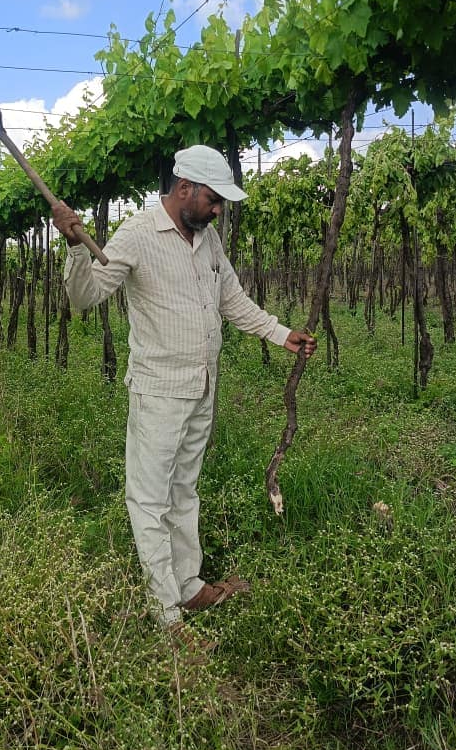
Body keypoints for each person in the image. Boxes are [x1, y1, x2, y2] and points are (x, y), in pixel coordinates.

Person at [52, 145, 316, 632]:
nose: (217, 211)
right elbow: (85, 298)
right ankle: (166, 616)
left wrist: (280, 333)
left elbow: (231, 299)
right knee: (150, 499)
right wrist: (74, 248)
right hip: (159, 392)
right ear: (185, 189)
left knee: (184, 489)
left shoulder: (207, 239)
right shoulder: (137, 234)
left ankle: (189, 586)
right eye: (213, 200)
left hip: (202, 388)